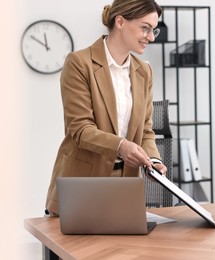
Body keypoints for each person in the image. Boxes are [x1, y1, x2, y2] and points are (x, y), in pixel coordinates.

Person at [45, 0, 167, 215]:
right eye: (145, 28)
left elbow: (146, 130)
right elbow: (80, 129)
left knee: (124, 249)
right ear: (120, 22)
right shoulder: (79, 63)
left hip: (125, 186)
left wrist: (153, 160)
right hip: (81, 185)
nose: (151, 37)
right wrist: (121, 145)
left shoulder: (144, 72)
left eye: (153, 30)